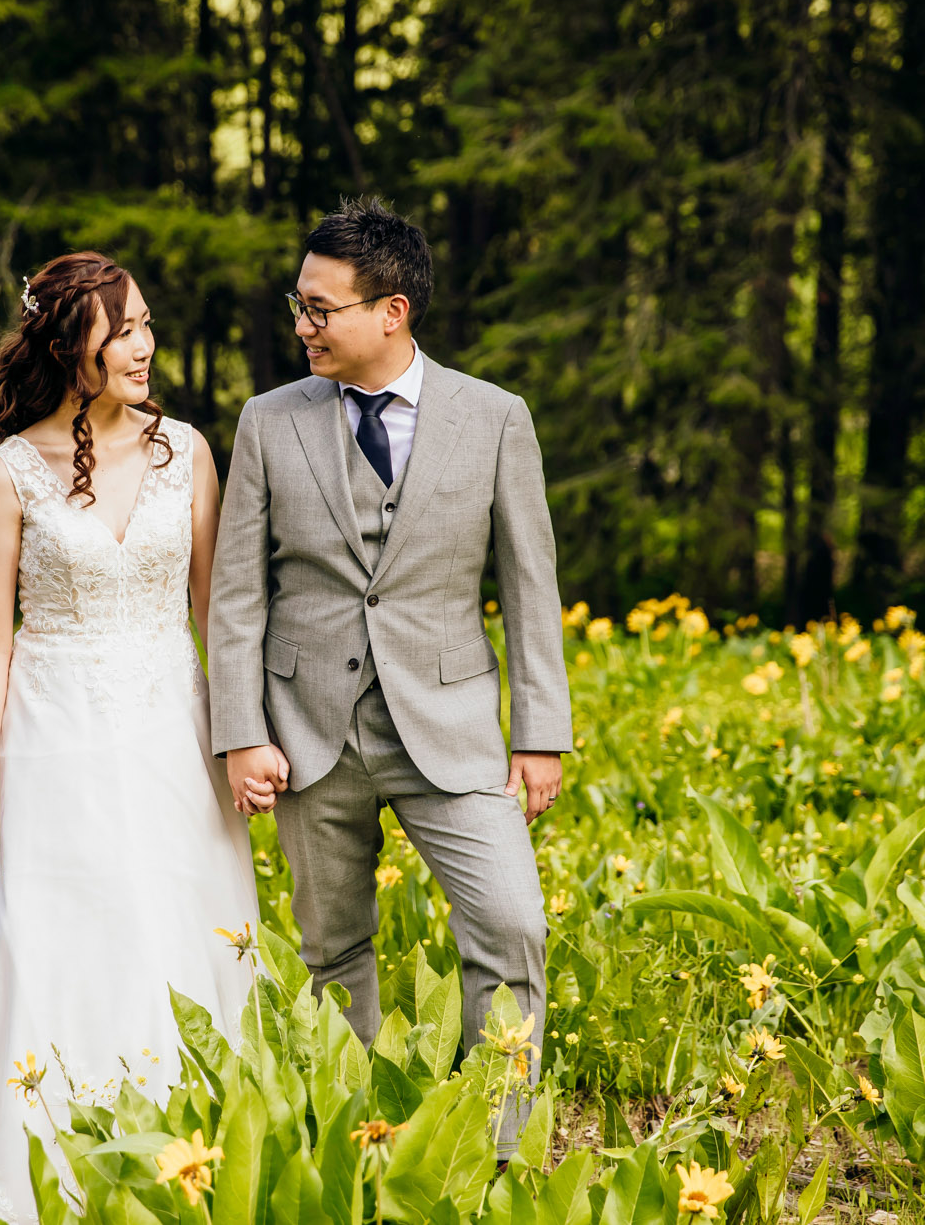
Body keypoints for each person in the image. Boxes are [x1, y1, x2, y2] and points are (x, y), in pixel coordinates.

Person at [0, 252, 259, 1223]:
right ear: (69, 343)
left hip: (173, 729)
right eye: (123, 328)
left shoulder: (190, 453)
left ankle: (194, 1150)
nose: (145, 345)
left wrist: (243, 741)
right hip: (55, 735)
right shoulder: (9, 475)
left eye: (145, 326)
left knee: (180, 928)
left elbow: (218, 616)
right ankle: (46, 1159)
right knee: (65, 939)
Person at [208, 196, 573, 1158]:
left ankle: (490, 1149)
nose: (302, 324)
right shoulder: (267, 422)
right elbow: (238, 593)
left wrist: (540, 732)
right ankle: (355, 1140)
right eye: (300, 303)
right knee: (333, 950)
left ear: (392, 311)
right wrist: (241, 729)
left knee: (512, 925)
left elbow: (531, 582)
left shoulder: (495, 419)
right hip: (307, 729)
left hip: (449, 728)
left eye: (320, 308)